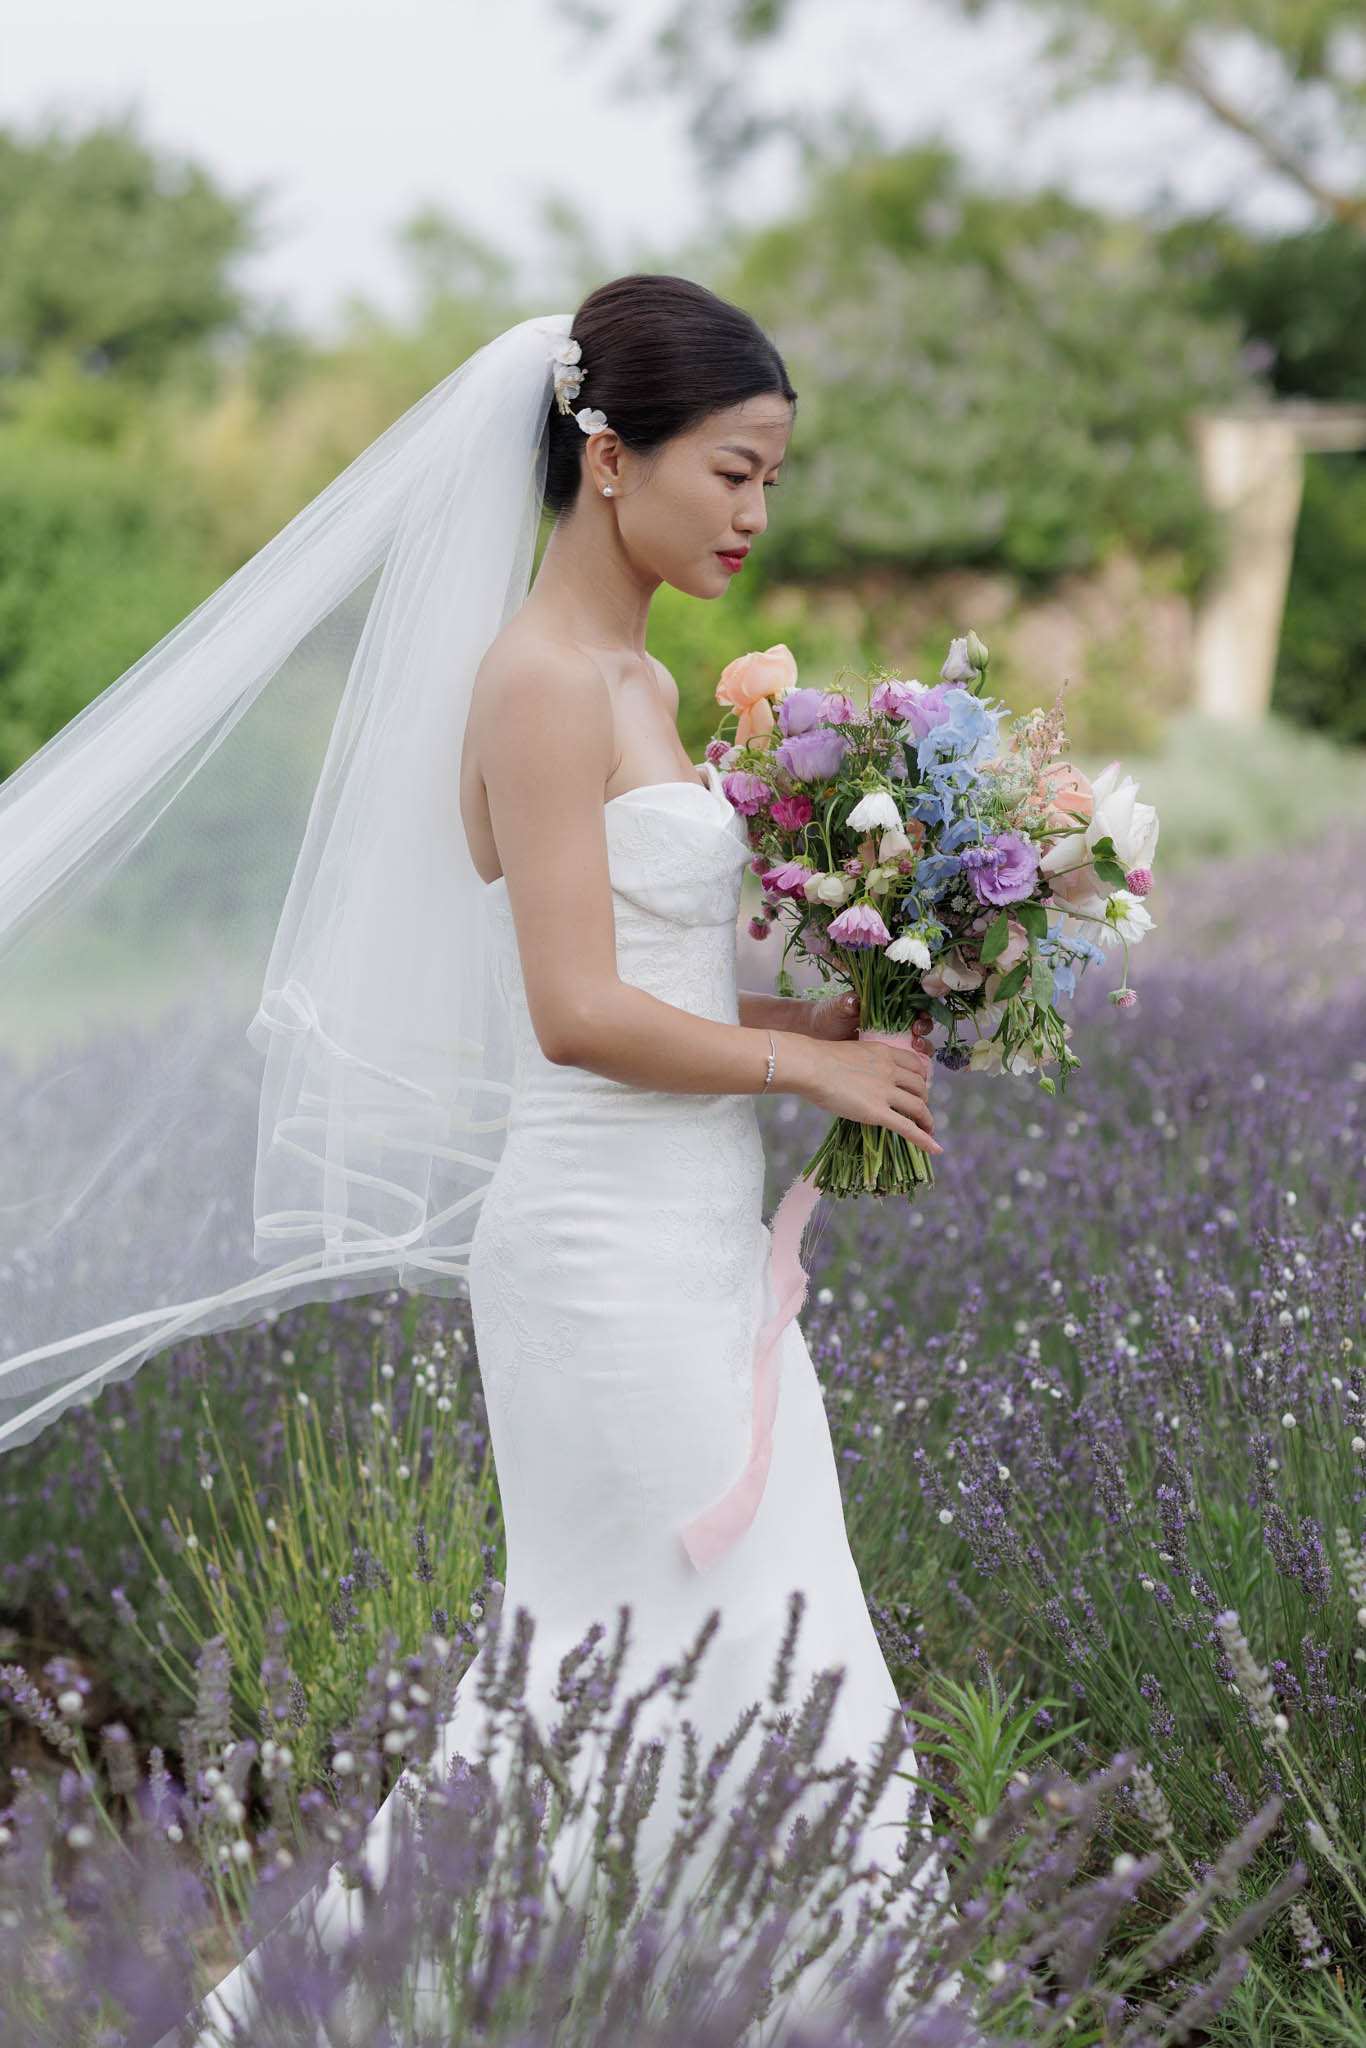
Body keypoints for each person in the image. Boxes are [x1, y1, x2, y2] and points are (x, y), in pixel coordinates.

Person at [1, 271, 947, 2037]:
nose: (754, 514)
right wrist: (796, 1074)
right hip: (596, 1253)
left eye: (769, 480)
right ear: (610, 458)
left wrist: (845, 1011)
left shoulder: (639, 675)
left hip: (692, 1249)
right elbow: (577, 1012)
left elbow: (664, 960)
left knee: (755, 1650)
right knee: (622, 1678)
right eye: (731, 471)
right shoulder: (536, 681)